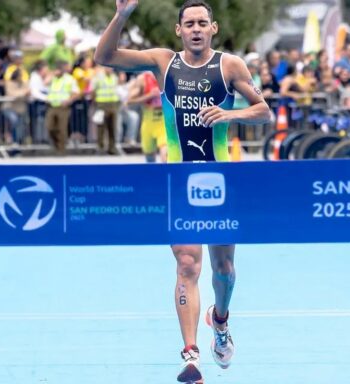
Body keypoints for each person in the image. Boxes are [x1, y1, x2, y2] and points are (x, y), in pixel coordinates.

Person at [95, 1, 271, 383]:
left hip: (222, 179)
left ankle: (219, 321)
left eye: (201, 23)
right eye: (188, 23)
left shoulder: (231, 66)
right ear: (179, 30)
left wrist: (231, 114)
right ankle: (191, 356)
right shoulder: (164, 63)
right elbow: (104, 56)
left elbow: (264, 111)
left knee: (223, 269)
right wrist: (121, 16)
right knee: (188, 263)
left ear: (213, 28)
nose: (195, 28)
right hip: (178, 180)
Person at [127, 71, 167, 162]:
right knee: (150, 161)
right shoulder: (143, 79)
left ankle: (166, 176)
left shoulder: (168, 75)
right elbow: (129, 101)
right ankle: (154, 176)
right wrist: (149, 96)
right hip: (148, 124)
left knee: (165, 155)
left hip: (163, 124)